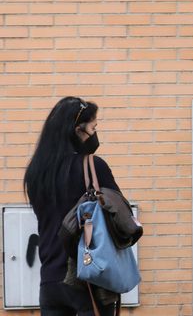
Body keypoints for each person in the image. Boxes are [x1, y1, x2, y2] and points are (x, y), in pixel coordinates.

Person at [24, 97, 120, 316]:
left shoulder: (36, 173)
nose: (95, 135)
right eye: (93, 128)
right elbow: (121, 218)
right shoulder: (93, 167)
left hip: (50, 281)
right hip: (88, 278)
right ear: (78, 130)